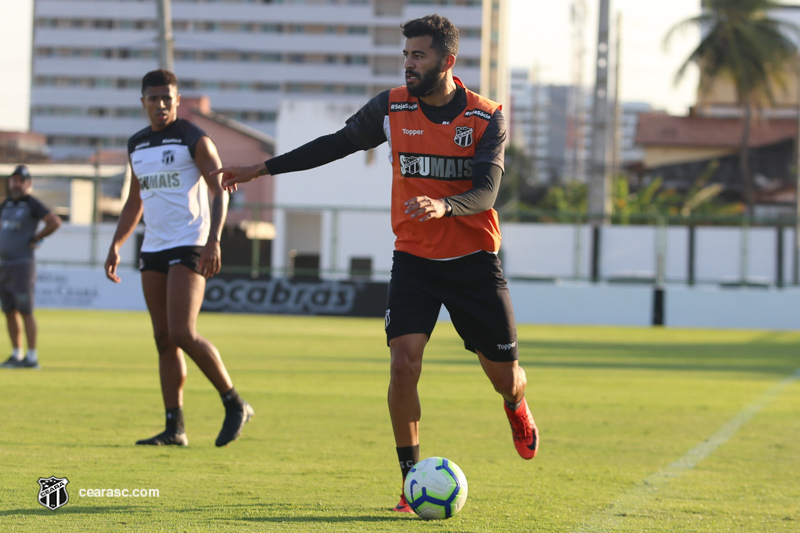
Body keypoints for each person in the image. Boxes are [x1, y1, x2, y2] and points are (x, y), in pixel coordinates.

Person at [213, 14, 538, 509]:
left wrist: (445, 205)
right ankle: (411, 481)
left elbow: (488, 190)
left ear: (447, 61)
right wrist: (261, 168)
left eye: (419, 56)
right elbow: (334, 145)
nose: (409, 64)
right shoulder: (391, 106)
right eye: (406, 54)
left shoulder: (485, 116)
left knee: (505, 378)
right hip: (414, 259)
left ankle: (516, 406)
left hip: (474, 261)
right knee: (402, 365)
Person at [105, 69, 253, 447]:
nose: (161, 105)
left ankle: (235, 403)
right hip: (152, 246)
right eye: (153, 99)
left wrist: (214, 240)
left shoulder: (192, 137)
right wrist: (117, 243)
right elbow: (134, 201)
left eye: (167, 98)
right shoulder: (137, 144)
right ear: (143, 102)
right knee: (162, 338)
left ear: (177, 99)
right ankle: (175, 428)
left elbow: (221, 190)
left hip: (190, 242)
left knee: (182, 332)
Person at [0, 165, 62, 370]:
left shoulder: (31, 204)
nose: (16, 184)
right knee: (8, 311)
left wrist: (37, 238)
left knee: (25, 310)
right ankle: (16, 354)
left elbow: (54, 221)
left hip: (22, 265)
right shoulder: (6, 204)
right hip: (3, 264)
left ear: (28, 184)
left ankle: (32, 356)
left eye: (21, 181)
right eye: (14, 180)